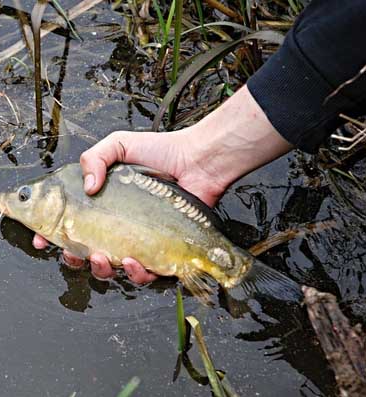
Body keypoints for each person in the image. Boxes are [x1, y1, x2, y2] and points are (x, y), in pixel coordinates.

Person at [32, 0, 366, 284]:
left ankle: (235, 273)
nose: (17, 200)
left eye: (25, 196)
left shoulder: (69, 184)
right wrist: (202, 154)